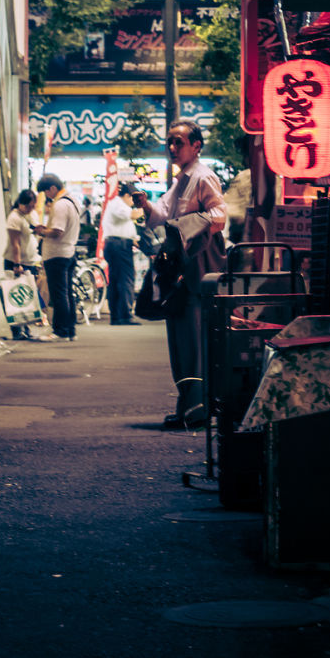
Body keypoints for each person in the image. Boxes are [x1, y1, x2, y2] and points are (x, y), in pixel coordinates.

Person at [131, 121, 226, 430]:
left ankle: (198, 409)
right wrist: (146, 205)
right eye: (170, 142)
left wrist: (182, 228)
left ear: (196, 146)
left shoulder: (203, 176)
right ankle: (187, 407)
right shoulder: (181, 180)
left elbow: (219, 216)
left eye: (179, 142)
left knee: (194, 341)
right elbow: (163, 214)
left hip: (196, 269)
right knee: (181, 340)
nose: (172, 148)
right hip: (181, 270)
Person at [34, 174, 82, 341]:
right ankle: (70, 330)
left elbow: (57, 231)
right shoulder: (72, 201)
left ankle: (60, 331)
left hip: (57, 254)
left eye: (46, 192)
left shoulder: (60, 204)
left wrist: (41, 231)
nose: (46, 196)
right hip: (68, 252)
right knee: (67, 293)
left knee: (59, 294)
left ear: (53, 188)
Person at [3, 188, 46, 338]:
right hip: (15, 262)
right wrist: (17, 264)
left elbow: (35, 232)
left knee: (29, 297)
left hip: (30, 261)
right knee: (16, 297)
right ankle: (16, 331)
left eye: (33, 206)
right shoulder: (14, 217)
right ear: (20, 203)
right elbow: (15, 244)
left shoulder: (31, 214)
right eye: (28, 206)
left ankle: (26, 329)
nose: (30, 209)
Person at [102, 183, 141, 325]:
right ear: (126, 195)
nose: (134, 203)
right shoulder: (118, 204)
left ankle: (117, 315)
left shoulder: (117, 204)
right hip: (119, 246)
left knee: (116, 280)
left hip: (117, 244)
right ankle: (125, 315)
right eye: (133, 199)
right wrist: (144, 207)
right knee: (125, 279)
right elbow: (133, 215)